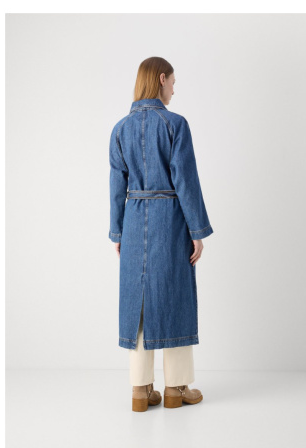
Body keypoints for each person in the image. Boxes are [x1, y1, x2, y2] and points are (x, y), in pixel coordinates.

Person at [109, 57, 214, 412]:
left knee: (137, 302)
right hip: (171, 219)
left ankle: (140, 390)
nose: (173, 89)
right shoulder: (175, 124)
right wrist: (197, 231)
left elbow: (116, 187)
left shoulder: (120, 129)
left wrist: (118, 232)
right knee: (175, 296)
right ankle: (176, 388)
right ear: (161, 78)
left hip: (133, 219)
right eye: (173, 82)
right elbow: (186, 181)